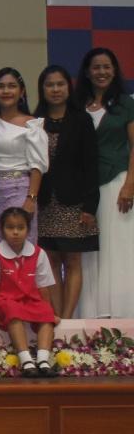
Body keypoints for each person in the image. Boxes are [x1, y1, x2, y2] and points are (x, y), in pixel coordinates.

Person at [34, 65, 99, 320]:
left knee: (72, 261)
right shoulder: (35, 121)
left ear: (68, 87)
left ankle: (69, 319)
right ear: (42, 89)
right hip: (44, 203)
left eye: (60, 84)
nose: (55, 89)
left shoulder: (81, 120)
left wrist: (90, 207)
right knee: (50, 262)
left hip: (75, 203)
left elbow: (91, 166)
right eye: (49, 85)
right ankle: (57, 317)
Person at [76, 47, 134, 319]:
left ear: (114, 70)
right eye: (96, 67)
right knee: (89, 251)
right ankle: (91, 312)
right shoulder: (78, 104)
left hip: (117, 184)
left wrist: (129, 185)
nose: (101, 72)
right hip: (85, 188)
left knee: (118, 247)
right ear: (87, 72)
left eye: (106, 67)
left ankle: (123, 312)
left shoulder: (126, 104)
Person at [0, 207, 59, 377]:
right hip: (6, 300)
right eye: (10, 227)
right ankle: (26, 361)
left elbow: (43, 287)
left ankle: (43, 361)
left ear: (28, 229)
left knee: (47, 314)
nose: (15, 232)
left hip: (31, 299)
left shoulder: (39, 253)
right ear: (2, 230)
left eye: (20, 227)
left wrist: (50, 310)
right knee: (14, 312)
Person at [0, 67, 48, 248]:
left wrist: (31, 198)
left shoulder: (32, 124)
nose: (6, 91)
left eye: (12, 86)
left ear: (21, 92)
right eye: (0, 86)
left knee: (21, 246)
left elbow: (37, 165)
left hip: (19, 190)